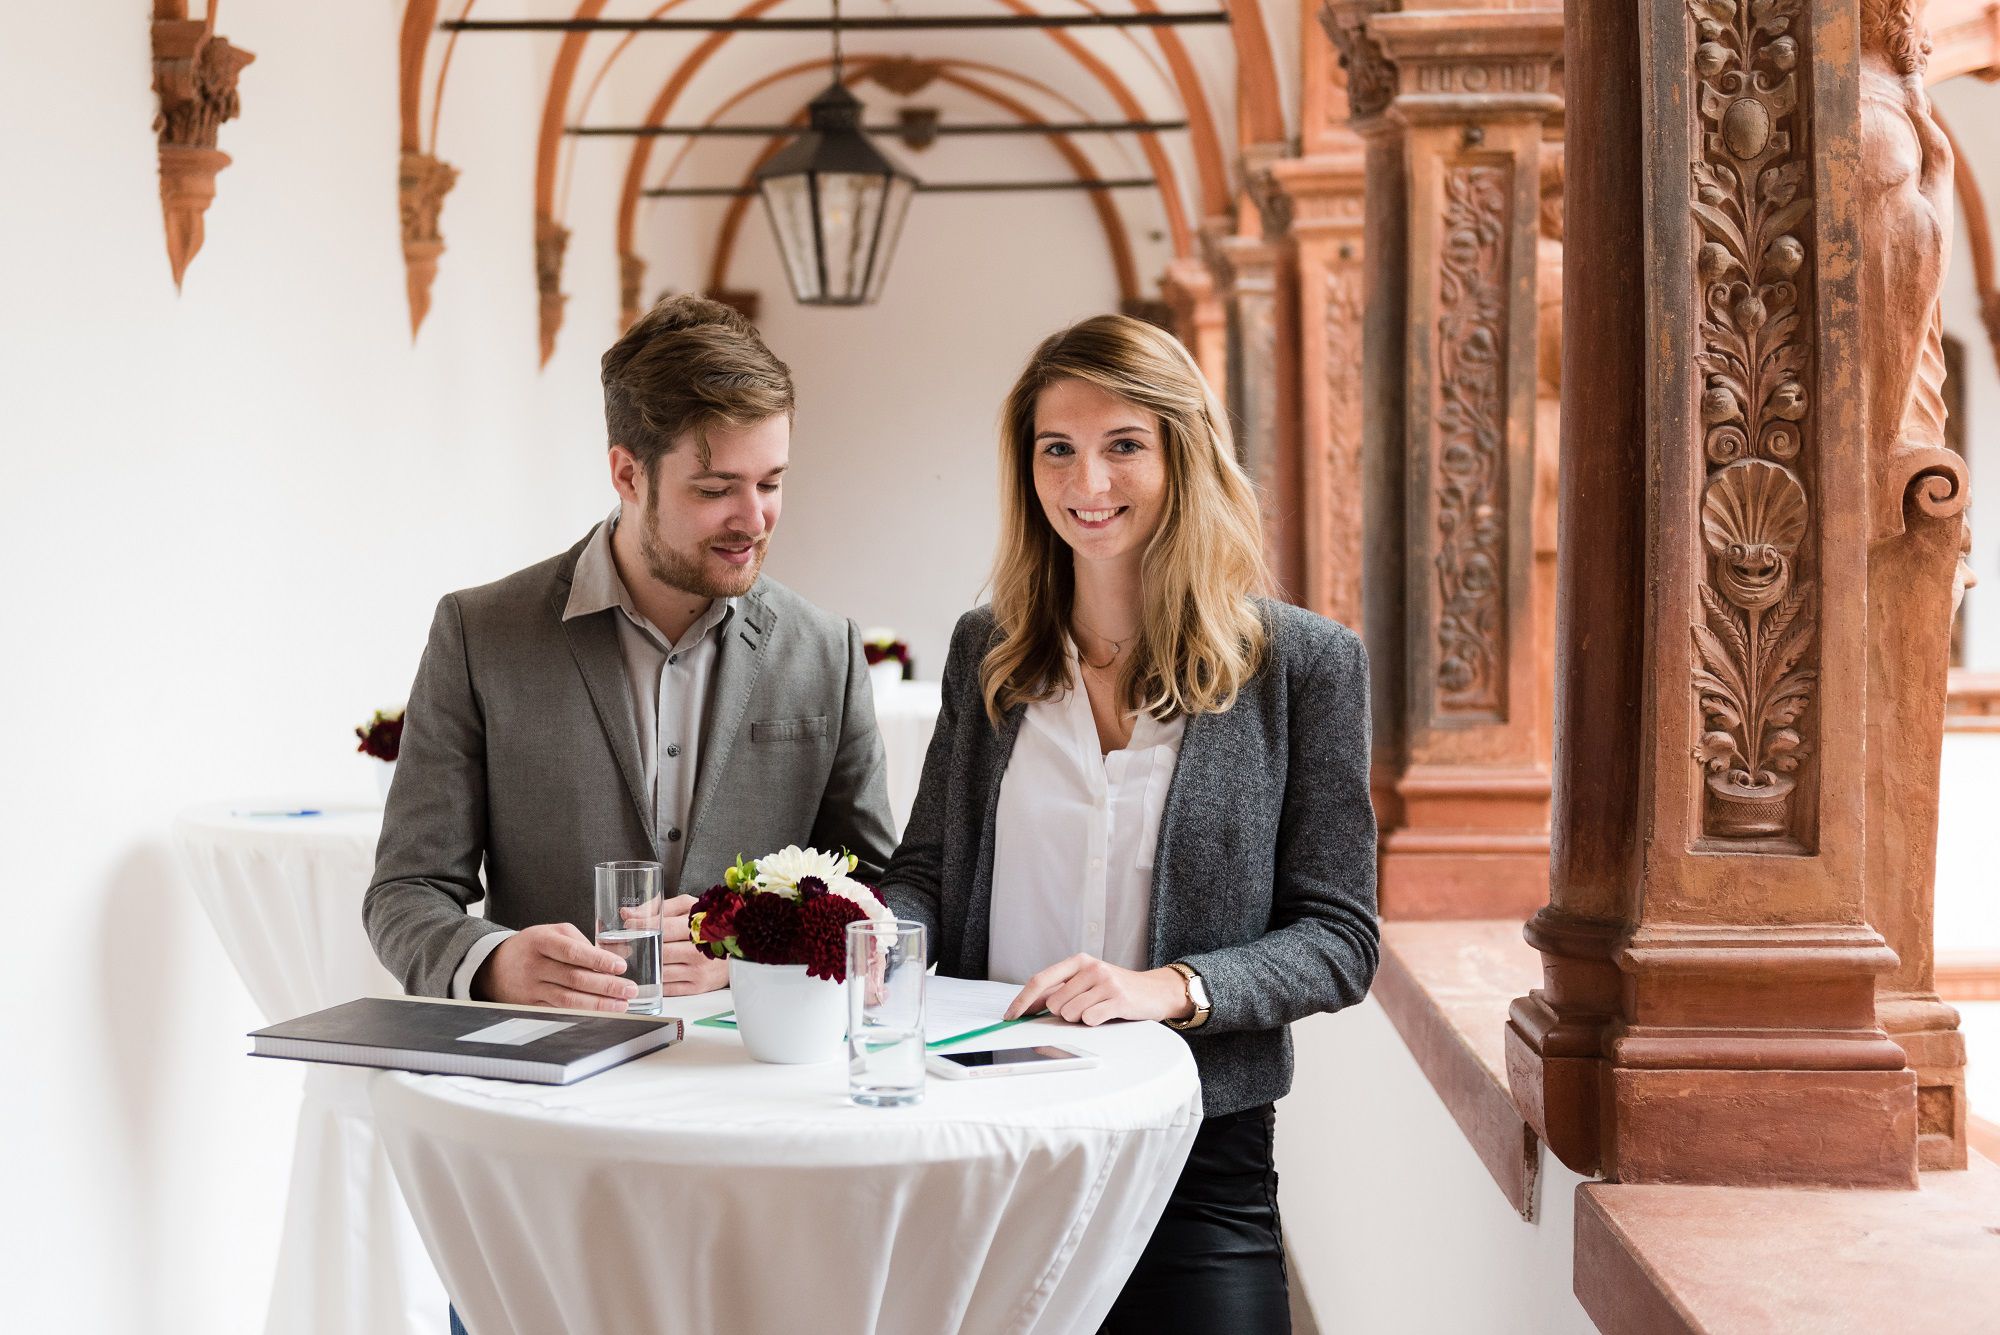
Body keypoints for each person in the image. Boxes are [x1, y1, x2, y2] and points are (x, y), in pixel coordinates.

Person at [877, 314, 1379, 1332]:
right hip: (983, 1124)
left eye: (1122, 447)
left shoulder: (1301, 667)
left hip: (1196, 1154)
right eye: (1055, 449)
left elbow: (1339, 940)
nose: (1085, 482)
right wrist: (862, 938)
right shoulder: (989, 651)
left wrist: (1164, 989)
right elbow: (924, 872)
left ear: (1180, 455)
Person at [365, 294, 897, 1011]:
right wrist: (493, 963)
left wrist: (756, 947)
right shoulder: (479, 633)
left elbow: (881, 897)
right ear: (627, 474)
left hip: (753, 1080)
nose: (755, 518)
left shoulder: (825, 652)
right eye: (715, 489)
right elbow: (407, 889)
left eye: (771, 483)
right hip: (553, 1083)